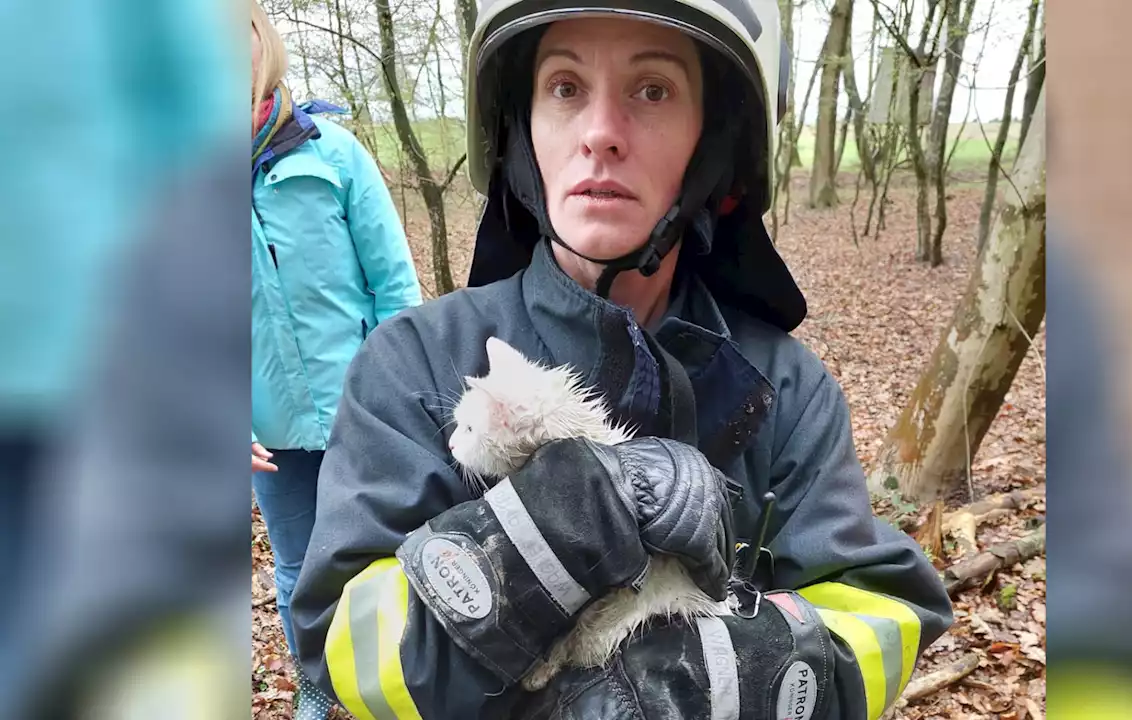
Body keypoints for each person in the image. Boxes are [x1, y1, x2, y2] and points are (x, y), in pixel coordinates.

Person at [290, 0, 953, 717]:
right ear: (521, 132)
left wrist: (753, 676)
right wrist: (524, 547)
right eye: (566, 88)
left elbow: (882, 612)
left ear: (713, 145)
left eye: (653, 90)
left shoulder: (787, 391)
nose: (601, 134)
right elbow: (338, 647)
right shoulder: (414, 365)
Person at [250, 3, 423, 717]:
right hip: (272, 433)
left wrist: (406, 397)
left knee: (396, 557)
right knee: (296, 574)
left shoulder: (335, 154)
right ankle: (317, 691)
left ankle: (416, 681)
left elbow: (395, 287)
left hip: (367, 413)